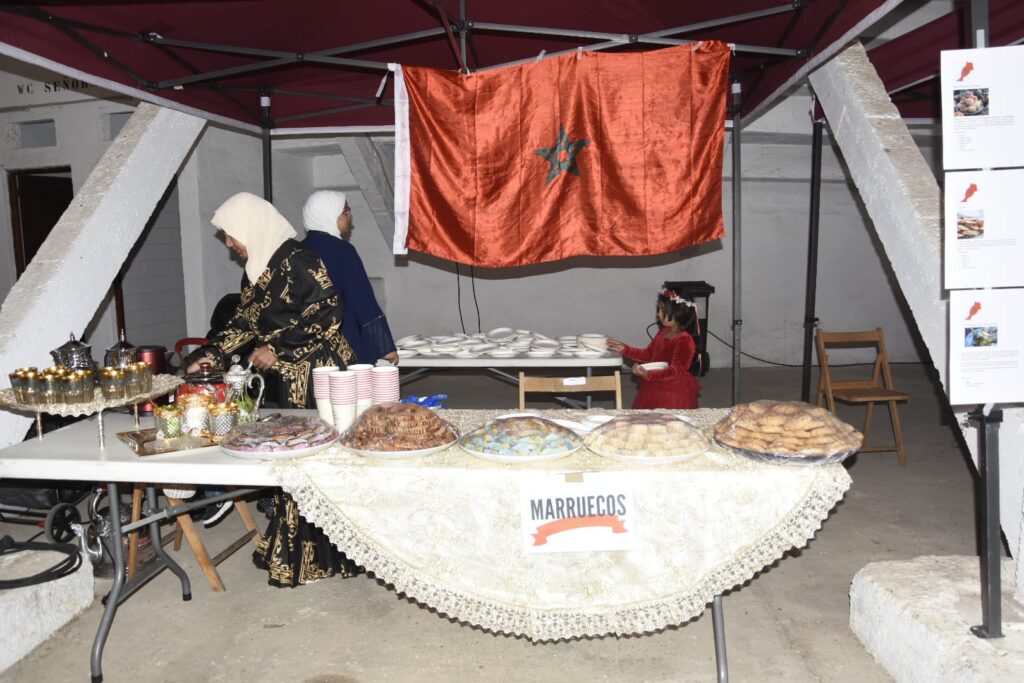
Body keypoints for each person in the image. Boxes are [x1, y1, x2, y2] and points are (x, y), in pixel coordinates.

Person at [191, 191, 358, 586]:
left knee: (313, 458)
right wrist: (210, 355)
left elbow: (328, 312)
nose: (229, 242)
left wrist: (277, 347)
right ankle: (295, 544)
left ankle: (324, 554)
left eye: (230, 233)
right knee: (290, 457)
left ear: (250, 225)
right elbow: (244, 324)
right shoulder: (257, 268)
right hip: (289, 375)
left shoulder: (300, 260)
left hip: (318, 372)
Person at [301, 190, 399, 366]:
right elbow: (362, 300)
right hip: (342, 342)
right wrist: (385, 346)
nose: (350, 216)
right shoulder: (342, 250)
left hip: (306, 345)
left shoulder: (296, 251)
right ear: (331, 214)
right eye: (346, 210)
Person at [607, 289, 701, 409]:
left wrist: (649, 374)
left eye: (663, 310)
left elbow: (676, 370)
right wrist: (625, 349)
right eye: (658, 309)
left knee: (668, 419)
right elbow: (648, 354)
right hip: (655, 384)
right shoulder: (663, 332)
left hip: (673, 393)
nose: (659, 314)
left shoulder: (684, 340)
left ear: (678, 312)